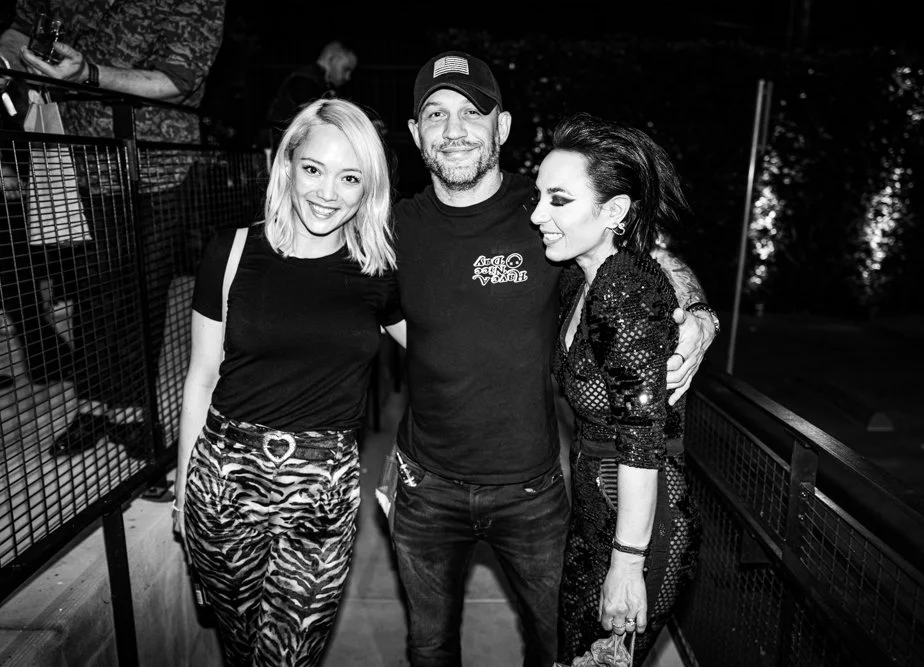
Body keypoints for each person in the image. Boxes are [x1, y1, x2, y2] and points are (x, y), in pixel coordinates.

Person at [388, 50, 718, 667]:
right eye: (435, 114)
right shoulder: (391, 227)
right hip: (425, 488)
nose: (453, 128)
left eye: (471, 112)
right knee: (428, 647)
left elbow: (654, 258)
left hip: (535, 492)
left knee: (558, 645)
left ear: (502, 128)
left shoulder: (543, 209)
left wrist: (700, 316)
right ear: (415, 134)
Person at [173, 97, 405, 666]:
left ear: (367, 188)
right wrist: (183, 489)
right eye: (313, 169)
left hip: (323, 492)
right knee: (241, 646)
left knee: (286, 657)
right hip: (224, 482)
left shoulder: (378, 270)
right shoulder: (229, 253)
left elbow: (454, 353)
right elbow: (201, 378)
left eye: (350, 177)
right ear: (286, 164)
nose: (328, 192)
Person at [0, 0, 226, 455]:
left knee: (140, 296)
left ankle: (134, 413)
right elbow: (19, 28)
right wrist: (9, 61)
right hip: (80, 160)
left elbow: (178, 80)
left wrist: (89, 74)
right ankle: (93, 407)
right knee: (90, 291)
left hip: (157, 166)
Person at [531, 112, 701, 666]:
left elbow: (642, 440)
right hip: (599, 519)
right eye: (539, 196)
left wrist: (627, 564)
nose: (538, 215)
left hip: (639, 534)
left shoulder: (624, 288)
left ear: (614, 212)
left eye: (559, 200)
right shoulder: (584, 275)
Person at [266, 40, 358, 154]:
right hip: (283, 147)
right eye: (346, 69)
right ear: (331, 59)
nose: (347, 77)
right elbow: (313, 118)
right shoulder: (305, 80)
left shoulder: (321, 82)